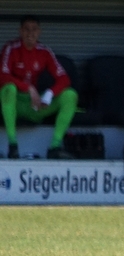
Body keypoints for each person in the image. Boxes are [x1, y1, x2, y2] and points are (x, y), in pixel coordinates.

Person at [0, 16, 78, 159]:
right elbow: (2, 75)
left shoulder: (44, 51)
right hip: (16, 103)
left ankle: (55, 147)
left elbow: (64, 79)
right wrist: (28, 88)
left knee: (70, 95)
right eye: (26, 29)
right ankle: (12, 146)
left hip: (35, 105)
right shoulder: (11, 48)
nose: (30, 33)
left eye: (34, 29)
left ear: (39, 32)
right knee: (8, 89)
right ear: (20, 31)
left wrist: (49, 94)